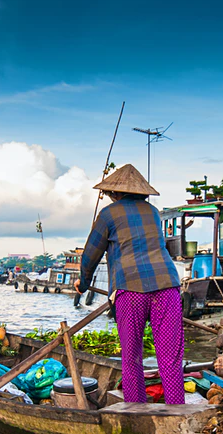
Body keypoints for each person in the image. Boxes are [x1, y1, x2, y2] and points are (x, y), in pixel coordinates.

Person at [74, 164, 185, 404]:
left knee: (132, 356)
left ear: (114, 193)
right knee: (170, 356)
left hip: (131, 289)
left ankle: (136, 408)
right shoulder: (153, 212)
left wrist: (82, 284)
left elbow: (91, 254)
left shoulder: (108, 214)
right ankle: (177, 408)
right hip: (167, 286)